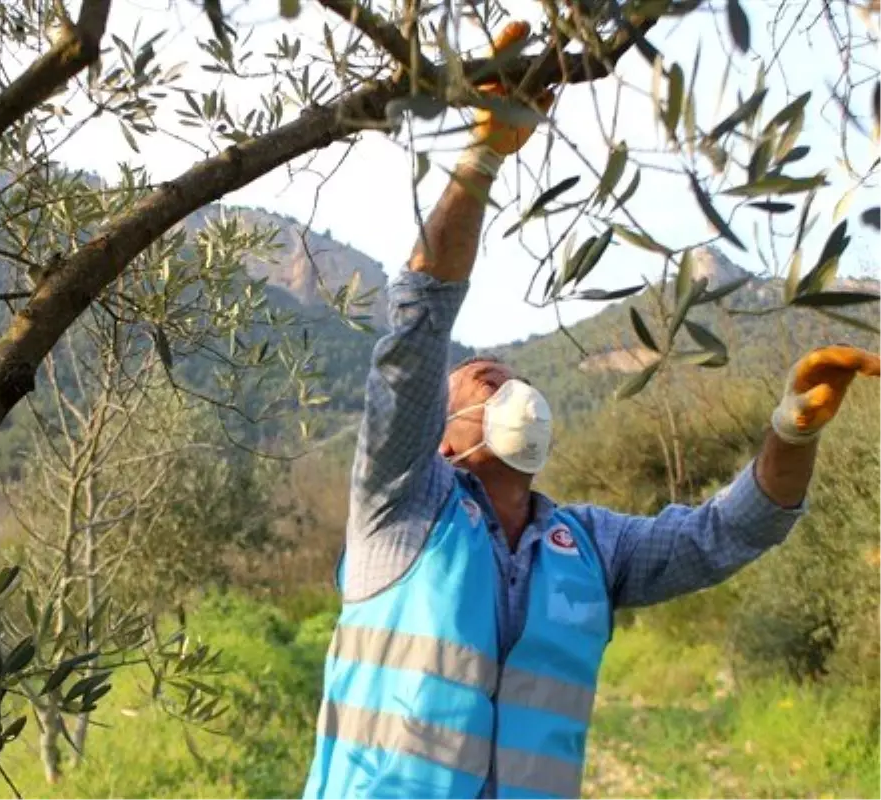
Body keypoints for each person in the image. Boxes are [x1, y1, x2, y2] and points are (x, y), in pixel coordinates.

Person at [300, 18, 881, 800]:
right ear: (437, 440)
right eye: (479, 379)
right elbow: (417, 324)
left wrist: (791, 432)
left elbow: (734, 530)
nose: (505, 382)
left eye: (510, 373)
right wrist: (479, 163)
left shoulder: (592, 548)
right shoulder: (398, 507)